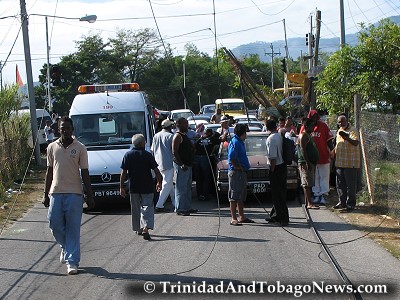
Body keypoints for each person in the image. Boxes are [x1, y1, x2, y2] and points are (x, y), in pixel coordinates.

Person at [42, 116, 94, 275]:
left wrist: (90, 195)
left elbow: (85, 172)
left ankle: (72, 262)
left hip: (75, 193)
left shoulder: (80, 148)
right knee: (54, 223)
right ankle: (65, 247)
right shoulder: (51, 147)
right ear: (58, 129)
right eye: (62, 128)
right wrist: (45, 194)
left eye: (68, 128)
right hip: (56, 192)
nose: (65, 130)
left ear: (72, 130)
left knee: (73, 228)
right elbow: (49, 171)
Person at [120, 134, 162, 240]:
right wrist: (159, 182)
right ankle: (146, 228)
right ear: (143, 143)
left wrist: (121, 187)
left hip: (133, 186)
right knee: (147, 207)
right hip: (147, 186)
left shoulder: (128, 155)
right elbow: (156, 170)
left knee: (135, 208)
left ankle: (138, 228)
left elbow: (123, 172)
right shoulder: (147, 155)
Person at [300, 110, 334, 205]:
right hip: (311, 158)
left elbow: (329, 140)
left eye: (316, 117)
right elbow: (301, 144)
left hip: (323, 156)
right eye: (313, 117)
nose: (315, 119)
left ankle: (324, 195)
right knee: (315, 178)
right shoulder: (304, 127)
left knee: (324, 176)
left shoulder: (323, 126)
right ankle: (316, 194)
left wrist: (332, 151)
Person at [332, 115, 360, 211]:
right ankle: (342, 202)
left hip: (349, 163)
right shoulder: (339, 131)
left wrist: (347, 137)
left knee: (350, 185)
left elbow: (356, 142)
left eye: (342, 121)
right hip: (339, 162)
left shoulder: (352, 130)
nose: (341, 123)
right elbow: (337, 145)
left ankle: (351, 204)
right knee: (340, 184)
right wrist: (333, 152)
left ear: (347, 120)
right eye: (339, 122)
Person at [227, 123, 254, 226]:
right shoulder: (235, 142)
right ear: (243, 133)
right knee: (234, 195)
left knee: (241, 195)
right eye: (245, 132)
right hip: (236, 172)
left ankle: (241, 216)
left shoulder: (240, 141)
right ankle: (234, 218)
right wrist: (238, 167)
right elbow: (232, 157)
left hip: (242, 173)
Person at [265, 119, 289, 225]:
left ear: (267, 127)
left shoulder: (271, 138)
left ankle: (283, 218)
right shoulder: (279, 136)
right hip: (282, 166)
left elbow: (272, 157)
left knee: (277, 194)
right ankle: (275, 215)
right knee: (279, 193)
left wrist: (272, 170)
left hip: (276, 168)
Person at [172, 117, 197, 216]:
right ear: (179, 125)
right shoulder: (177, 136)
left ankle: (187, 207)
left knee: (187, 188)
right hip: (182, 166)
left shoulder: (185, 135)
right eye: (185, 124)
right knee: (180, 187)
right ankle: (180, 208)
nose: (187, 125)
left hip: (188, 164)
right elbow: (174, 151)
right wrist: (181, 164)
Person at [152, 119, 175, 213]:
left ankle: (176, 203)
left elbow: (153, 150)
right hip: (168, 163)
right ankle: (159, 205)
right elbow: (173, 150)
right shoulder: (170, 136)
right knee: (167, 184)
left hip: (158, 163)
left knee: (170, 185)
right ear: (169, 127)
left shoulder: (156, 135)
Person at [298, 118, 320, 209]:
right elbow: (303, 150)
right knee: (307, 183)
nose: (313, 128)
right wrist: (307, 162)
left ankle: (308, 202)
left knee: (309, 183)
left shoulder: (308, 135)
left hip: (310, 162)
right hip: (305, 163)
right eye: (311, 126)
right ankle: (309, 203)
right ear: (306, 126)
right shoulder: (304, 135)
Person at [194, 128, 221, 201]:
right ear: (210, 133)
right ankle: (205, 194)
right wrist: (224, 134)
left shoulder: (199, 140)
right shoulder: (212, 139)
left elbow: (194, 147)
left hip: (198, 158)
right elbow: (222, 140)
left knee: (199, 178)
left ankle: (199, 194)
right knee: (206, 177)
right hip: (206, 159)